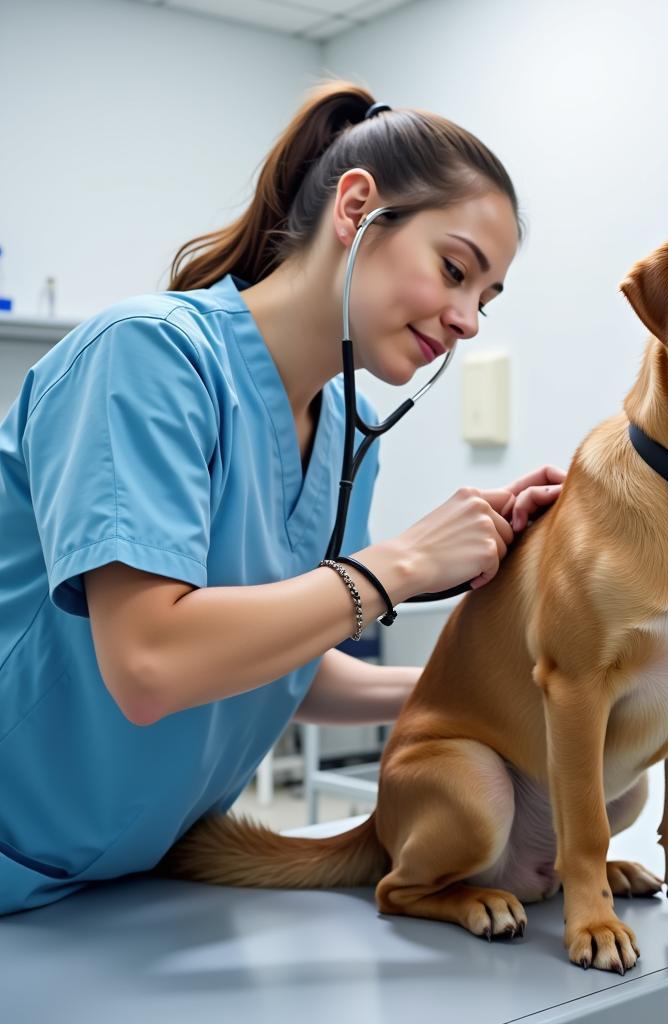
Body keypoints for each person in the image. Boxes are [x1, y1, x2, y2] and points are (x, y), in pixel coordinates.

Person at [0, 80, 564, 915]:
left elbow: (282, 669)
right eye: (454, 270)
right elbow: (151, 663)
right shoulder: (147, 358)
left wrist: (489, 692)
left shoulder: (348, 430)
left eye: (485, 297)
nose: (470, 320)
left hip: (126, 884)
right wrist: (399, 566)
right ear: (358, 208)